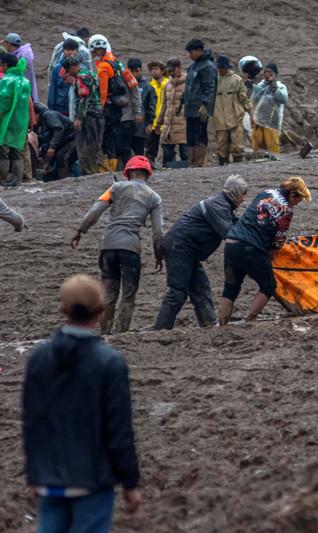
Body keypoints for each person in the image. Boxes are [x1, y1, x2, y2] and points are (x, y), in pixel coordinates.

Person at [23, 274, 141, 533]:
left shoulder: (39, 358)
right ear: (99, 312)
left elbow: (33, 422)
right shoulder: (109, 362)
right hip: (92, 478)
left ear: (63, 309)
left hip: (49, 478)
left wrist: (34, 474)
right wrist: (130, 483)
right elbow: (119, 428)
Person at [71, 156, 163, 334]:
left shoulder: (115, 187)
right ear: (147, 174)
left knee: (108, 293)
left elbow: (95, 210)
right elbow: (158, 231)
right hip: (130, 248)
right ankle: (122, 334)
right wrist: (159, 254)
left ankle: (105, 332)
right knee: (128, 294)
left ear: (128, 172)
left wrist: (80, 231)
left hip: (108, 246)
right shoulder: (154, 198)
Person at [154, 175, 248, 330]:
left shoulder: (223, 205)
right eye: (243, 195)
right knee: (177, 292)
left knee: (201, 289)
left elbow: (238, 226)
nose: (243, 200)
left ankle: (208, 323)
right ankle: (160, 330)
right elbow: (230, 233)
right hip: (180, 248)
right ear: (235, 193)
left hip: (187, 251)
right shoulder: (218, 206)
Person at [219, 176, 311, 325]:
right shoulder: (286, 210)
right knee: (268, 286)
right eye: (298, 200)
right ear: (293, 195)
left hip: (231, 243)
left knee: (231, 287)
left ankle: (222, 324)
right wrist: (272, 252)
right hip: (251, 247)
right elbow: (279, 239)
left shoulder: (265, 193)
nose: (297, 204)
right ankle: (249, 320)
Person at [89, 34, 142, 171]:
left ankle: (116, 169)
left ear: (99, 50)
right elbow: (134, 85)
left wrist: (100, 108)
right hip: (122, 111)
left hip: (115, 111)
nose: (93, 55)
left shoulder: (103, 67)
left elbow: (103, 91)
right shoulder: (119, 65)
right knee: (117, 144)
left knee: (113, 143)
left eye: (94, 52)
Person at [62, 56, 104, 175]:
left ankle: (88, 171)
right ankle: (95, 169)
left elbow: (84, 98)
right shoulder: (92, 74)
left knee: (85, 145)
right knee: (96, 144)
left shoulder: (81, 78)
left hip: (88, 116)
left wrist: (79, 118)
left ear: (72, 67)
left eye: (68, 70)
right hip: (99, 113)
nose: (68, 73)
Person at [180, 39, 217, 167]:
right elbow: (188, 86)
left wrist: (205, 105)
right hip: (190, 106)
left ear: (199, 50)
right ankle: (191, 162)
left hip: (200, 107)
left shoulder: (208, 66)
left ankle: (200, 162)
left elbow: (210, 87)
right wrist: (182, 100)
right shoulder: (192, 66)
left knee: (200, 133)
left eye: (191, 52)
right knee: (190, 135)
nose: (190, 55)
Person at [213, 55, 253, 165]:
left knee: (237, 146)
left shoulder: (236, 80)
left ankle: (237, 168)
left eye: (223, 68)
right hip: (219, 118)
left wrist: (251, 115)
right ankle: (223, 166)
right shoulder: (213, 80)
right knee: (222, 146)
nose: (221, 70)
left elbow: (244, 98)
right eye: (219, 68)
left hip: (236, 117)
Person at [0, 53, 31, 187]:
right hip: (21, 122)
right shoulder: (24, 81)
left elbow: (4, 103)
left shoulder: (6, 81)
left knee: (3, 151)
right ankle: (17, 180)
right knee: (17, 151)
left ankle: (3, 179)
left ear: (5, 65)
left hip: (7, 122)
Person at [250, 62, 287, 157]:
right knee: (257, 146)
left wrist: (273, 86)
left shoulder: (280, 87)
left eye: (270, 72)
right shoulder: (260, 86)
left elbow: (282, 99)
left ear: (275, 74)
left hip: (272, 123)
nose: (267, 74)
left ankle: (274, 167)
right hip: (258, 122)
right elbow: (253, 100)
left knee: (272, 147)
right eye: (265, 72)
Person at [33, 103, 77, 181]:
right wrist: (48, 162)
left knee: (62, 157)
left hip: (72, 139)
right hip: (63, 142)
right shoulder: (41, 125)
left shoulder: (48, 115)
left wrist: (52, 147)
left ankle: (65, 181)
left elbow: (58, 129)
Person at [156, 58, 187, 166]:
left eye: (173, 70)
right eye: (169, 71)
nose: (171, 73)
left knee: (185, 153)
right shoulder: (168, 85)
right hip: (169, 125)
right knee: (167, 154)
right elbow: (164, 105)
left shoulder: (187, 83)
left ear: (179, 68)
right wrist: (159, 123)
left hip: (183, 124)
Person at [128, 58, 156, 158]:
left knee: (138, 150)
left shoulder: (147, 87)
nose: (134, 74)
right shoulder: (126, 84)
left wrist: (150, 123)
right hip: (127, 123)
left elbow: (151, 107)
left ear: (140, 70)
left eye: (137, 71)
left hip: (141, 125)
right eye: (132, 71)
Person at [3, 33, 37, 102]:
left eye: (5, 43)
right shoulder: (24, 52)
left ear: (9, 44)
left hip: (21, 91)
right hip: (26, 87)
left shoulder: (21, 57)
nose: (4, 45)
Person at [147, 61, 169, 163]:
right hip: (154, 120)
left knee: (166, 145)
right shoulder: (150, 85)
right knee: (152, 145)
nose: (154, 72)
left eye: (156, 69)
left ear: (162, 71)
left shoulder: (168, 84)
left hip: (165, 120)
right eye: (152, 69)